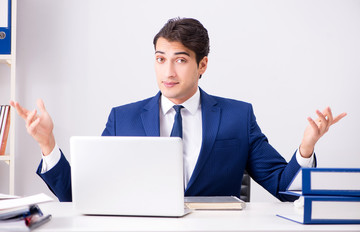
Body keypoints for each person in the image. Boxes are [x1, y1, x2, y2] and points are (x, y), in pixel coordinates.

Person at [11, 18, 346, 202]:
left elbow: (283, 189)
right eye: (160, 59)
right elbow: (78, 195)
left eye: (180, 60)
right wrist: (47, 143)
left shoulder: (237, 117)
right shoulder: (123, 118)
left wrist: (305, 148)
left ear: (203, 65)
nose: (168, 72)